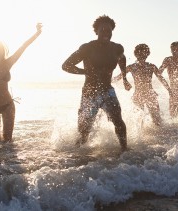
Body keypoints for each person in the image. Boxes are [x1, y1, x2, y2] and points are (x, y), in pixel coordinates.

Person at [62, 15, 131, 151]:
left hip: (108, 90)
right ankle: (79, 155)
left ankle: (124, 151)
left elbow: (122, 59)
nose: (106, 33)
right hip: (90, 92)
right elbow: (66, 65)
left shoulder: (117, 48)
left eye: (109, 31)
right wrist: (85, 72)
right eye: (103, 30)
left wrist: (124, 78)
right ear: (96, 31)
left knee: (118, 122)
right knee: (84, 130)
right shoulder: (87, 48)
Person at [0, 23, 42, 142]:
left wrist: (36, 34)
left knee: (8, 140)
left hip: (8, 105)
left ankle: (11, 160)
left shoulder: (7, 63)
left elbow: (23, 47)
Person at [113, 44, 171, 126]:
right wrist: (105, 80)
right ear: (136, 54)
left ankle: (159, 137)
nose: (142, 55)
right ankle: (140, 138)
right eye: (140, 53)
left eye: (144, 53)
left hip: (150, 94)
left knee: (157, 120)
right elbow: (117, 78)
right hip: (138, 95)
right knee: (139, 122)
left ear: (147, 54)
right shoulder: (132, 67)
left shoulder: (151, 66)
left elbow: (161, 79)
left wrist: (169, 90)